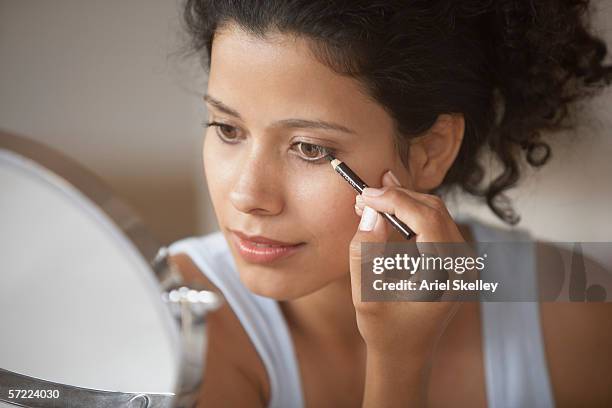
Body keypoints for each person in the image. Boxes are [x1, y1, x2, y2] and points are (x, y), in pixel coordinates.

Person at [168, 1, 612, 406]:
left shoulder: (573, 315)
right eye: (227, 129)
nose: (248, 196)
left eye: (309, 149)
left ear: (430, 151)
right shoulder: (178, 323)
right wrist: (398, 364)